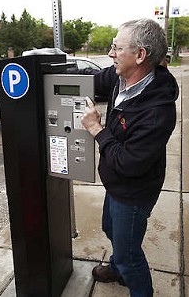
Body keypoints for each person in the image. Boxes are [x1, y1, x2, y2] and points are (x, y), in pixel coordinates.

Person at [80, 18, 179, 297]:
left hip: (134, 191)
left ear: (140, 55)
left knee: (130, 255)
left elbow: (128, 162)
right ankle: (117, 266)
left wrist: (96, 129)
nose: (111, 54)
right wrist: (50, 72)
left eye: (116, 48)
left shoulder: (158, 111)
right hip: (116, 183)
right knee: (109, 228)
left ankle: (130, 276)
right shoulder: (120, 76)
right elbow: (90, 81)